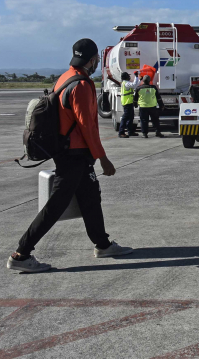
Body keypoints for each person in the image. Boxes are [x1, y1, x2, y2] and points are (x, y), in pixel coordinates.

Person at [7, 39, 132, 273]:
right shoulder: (83, 85)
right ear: (93, 59)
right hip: (74, 154)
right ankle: (21, 254)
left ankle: (103, 245)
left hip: (69, 152)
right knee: (56, 205)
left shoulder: (65, 77)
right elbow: (88, 127)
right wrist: (103, 158)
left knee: (90, 198)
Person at [118, 71, 141, 137]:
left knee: (130, 117)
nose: (129, 77)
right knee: (125, 117)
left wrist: (139, 80)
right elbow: (134, 84)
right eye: (128, 76)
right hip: (127, 102)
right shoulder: (126, 83)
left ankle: (130, 132)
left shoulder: (125, 83)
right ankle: (121, 132)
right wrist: (136, 76)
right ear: (126, 77)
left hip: (128, 102)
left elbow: (135, 85)